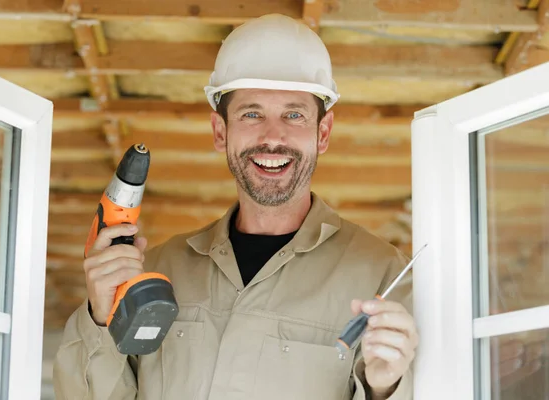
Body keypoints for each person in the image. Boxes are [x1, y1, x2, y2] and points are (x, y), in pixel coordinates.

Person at [53, 13, 418, 400]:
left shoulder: (383, 279)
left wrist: (385, 388)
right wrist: (98, 315)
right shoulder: (157, 272)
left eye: (294, 114)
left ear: (322, 133)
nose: (273, 137)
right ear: (220, 131)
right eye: (252, 114)